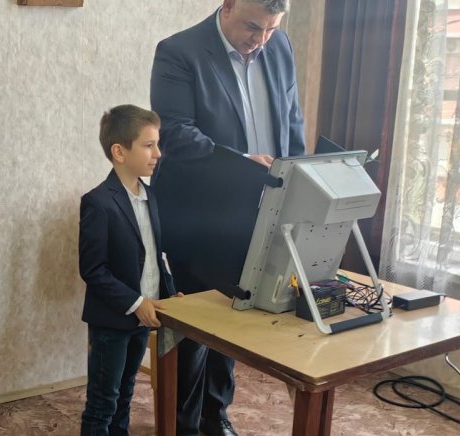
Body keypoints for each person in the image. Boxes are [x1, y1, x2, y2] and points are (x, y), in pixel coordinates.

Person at [150, 1, 305, 435]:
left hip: (260, 209)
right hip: (198, 213)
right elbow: (176, 135)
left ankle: (215, 416)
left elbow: (292, 120)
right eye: (253, 27)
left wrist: (299, 178)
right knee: (195, 326)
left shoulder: (280, 46)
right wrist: (243, 163)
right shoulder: (178, 52)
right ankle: (181, 424)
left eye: (271, 29)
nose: (261, 40)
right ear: (228, 5)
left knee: (235, 316)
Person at [78, 104, 180, 436]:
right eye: (149, 145)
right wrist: (136, 303)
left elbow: (154, 256)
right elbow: (93, 269)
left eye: (157, 144)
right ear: (119, 152)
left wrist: (169, 294)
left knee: (125, 396)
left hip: (143, 318)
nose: (158, 153)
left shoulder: (151, 197)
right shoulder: (98, 202)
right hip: (113, 320)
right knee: (103, 403)